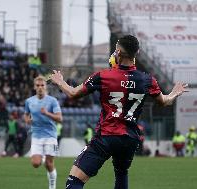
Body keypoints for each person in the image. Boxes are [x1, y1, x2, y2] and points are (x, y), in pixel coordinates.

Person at [49, 35, 188, 189]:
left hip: (107, 136)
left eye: (116, 50)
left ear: (118, 52)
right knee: (121, 173)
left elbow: (73, 93)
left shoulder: (103, 76)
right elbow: (164, 101)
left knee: (74, 181)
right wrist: (174, 93)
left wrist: (60, 81)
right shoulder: (147, 80)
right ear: (137, 52)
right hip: (130, 139)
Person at [24, 75, 63, 189]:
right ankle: (43, 157)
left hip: (50, 135)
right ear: (34, 87)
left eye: (42, 85)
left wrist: (47, 113)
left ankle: (52, 186)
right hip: (36, 136)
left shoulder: (52, 101)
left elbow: (60, 118)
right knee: (35, 164)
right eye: (38, 85)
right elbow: (26, 114)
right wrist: (27, 120)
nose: (40, 87)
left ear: (46, 87)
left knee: (49, 164)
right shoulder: (29, 101)